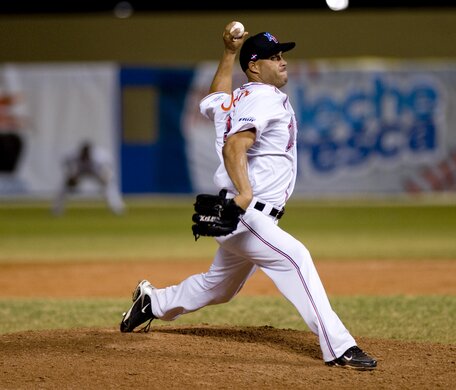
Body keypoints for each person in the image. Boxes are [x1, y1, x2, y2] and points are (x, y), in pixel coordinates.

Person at [120, 22, 377, 370]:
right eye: (273, 57)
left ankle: (154, 302)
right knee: (297, 259)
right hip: (248, 213)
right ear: (255, 66)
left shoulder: (235, 99)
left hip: (240, 211)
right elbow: (235, 145)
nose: (282, 61)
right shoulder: (264, 97)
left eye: (283, 55)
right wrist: (244, 193)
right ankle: (340, 346)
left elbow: (212, 98)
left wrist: (228, 53)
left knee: (219, 288)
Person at [52, 141, 125, 216]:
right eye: (84, 154)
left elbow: (108, 169)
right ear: (80, 152)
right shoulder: (72, 155)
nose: (85, 155)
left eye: (87, 154)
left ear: (91, 153)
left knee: (109, 186)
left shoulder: (100, 157)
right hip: (79, 169)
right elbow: (64, 164)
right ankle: (57, 210)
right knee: (63, 187)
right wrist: (71, 175)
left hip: (96, 171)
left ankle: (117, 209)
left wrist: (105, 178)